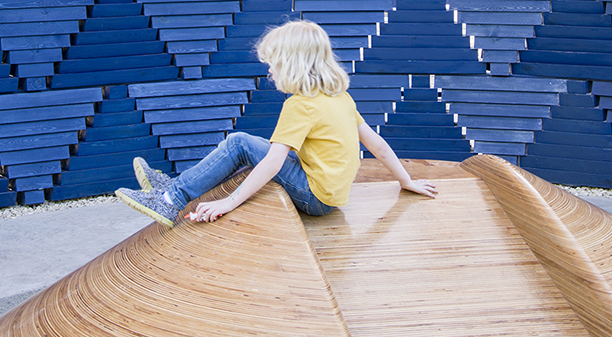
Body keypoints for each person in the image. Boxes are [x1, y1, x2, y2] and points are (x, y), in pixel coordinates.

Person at [115, 20, 437, 228]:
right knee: (246, 146)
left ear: (292, 67)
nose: (270, 74)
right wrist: (405, 181)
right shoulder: (340, 97)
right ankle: (175, 187)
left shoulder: (300, 105)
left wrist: (229, 201)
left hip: (316, 197)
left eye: (274, 66)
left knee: (239, 143)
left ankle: (169, 200)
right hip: (333, 193)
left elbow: (273, 162)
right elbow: (376, 144)